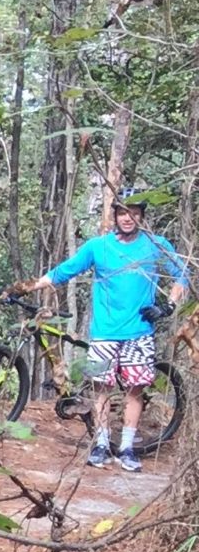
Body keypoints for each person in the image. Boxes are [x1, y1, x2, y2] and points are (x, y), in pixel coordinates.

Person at [21, 195, 189, 472]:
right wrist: (26, 288)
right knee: (102, 389)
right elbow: (64, 271)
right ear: (114, 216)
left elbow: (182, 273)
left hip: (139, 331)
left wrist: (168, 306)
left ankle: (126, 448)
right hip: (104, 333)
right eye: (122, 213)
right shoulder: (98, 247)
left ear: (141, 216)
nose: (127, 218)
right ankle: (100, 444)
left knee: (135, 391)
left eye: (133, 213)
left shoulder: (155, 246)